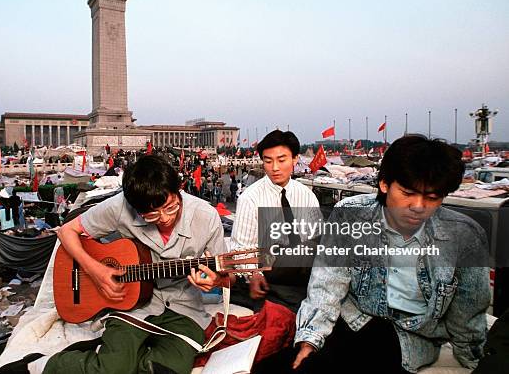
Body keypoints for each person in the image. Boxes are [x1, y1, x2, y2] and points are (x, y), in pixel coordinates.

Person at [276, 135, 489, 374]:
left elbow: (468, 314)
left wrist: (472, 360)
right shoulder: (350, 214)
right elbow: (328, 283)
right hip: (353, 317)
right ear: (385, 184)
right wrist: (310, 339)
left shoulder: (465, 236)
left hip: (411, 337)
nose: (418, 206)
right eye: (407, 193)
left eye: (432, 198)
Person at [43, 155, 231, 374]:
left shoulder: (206, 217)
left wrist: (218, 280)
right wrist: (95, 271)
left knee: (169, 369)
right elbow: (67, 232)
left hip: (184, 309)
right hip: (132, 306)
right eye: (151, 215)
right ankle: (51, 365)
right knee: (112, 369)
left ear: (178, 190)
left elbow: (227, 274)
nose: (164, 218)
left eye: (171, 207)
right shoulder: (120, 206)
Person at [229, 130, 320, 313]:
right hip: (268, 277)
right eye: (268, 161)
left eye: (281, 160)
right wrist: (254, 274)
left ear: (295, 159)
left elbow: (316, 241)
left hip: (304, 277)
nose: (274, 168)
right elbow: (240, 248)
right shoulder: (250, 198)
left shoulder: (307, 196)